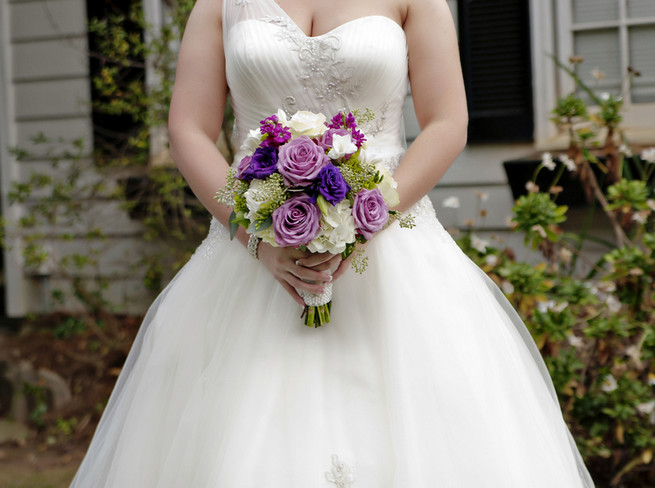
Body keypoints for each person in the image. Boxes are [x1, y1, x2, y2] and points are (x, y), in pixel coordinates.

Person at [70, 0, 595, 486]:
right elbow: (188, 128)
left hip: (395, 250)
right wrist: (256, 241)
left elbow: (447, 122)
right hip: (252, 256)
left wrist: (367, 219)